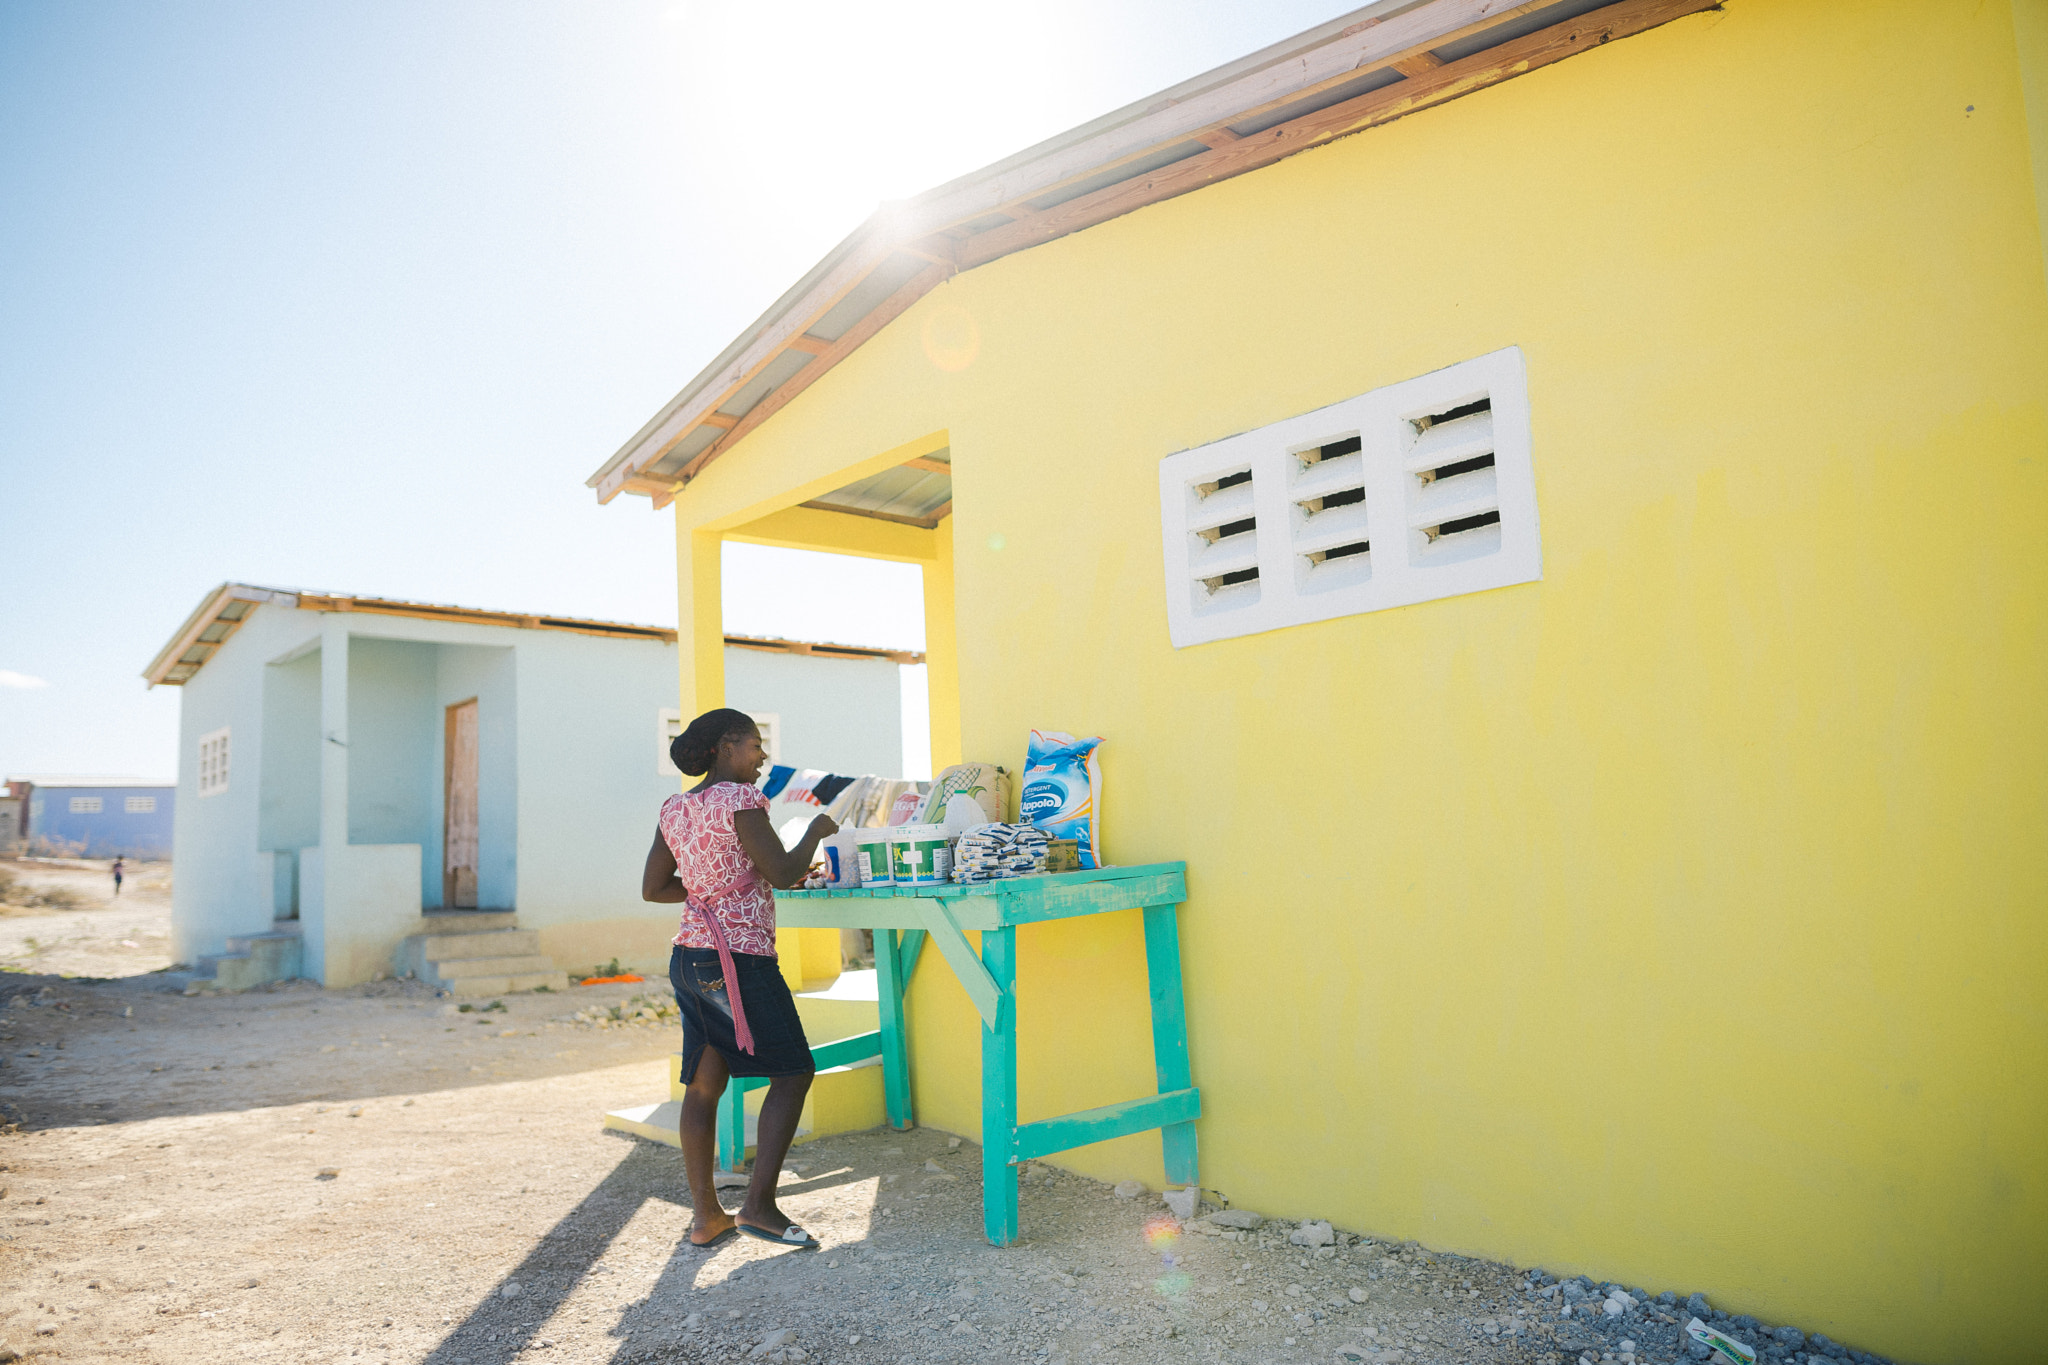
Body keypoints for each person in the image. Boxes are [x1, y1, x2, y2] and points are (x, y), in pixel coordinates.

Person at [641, 707, 836, 1252]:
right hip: (737, 960)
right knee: (794, 1072)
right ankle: (759, 1207)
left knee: (704, 1085)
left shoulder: (676, 808)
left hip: (690, 957)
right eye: (755, 745)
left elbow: (655, 888)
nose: (763, 757)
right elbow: (779, 871)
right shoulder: (741, 800)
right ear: (727, 747)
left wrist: (714, 889)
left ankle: (707, 1217)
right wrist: (815, 833)